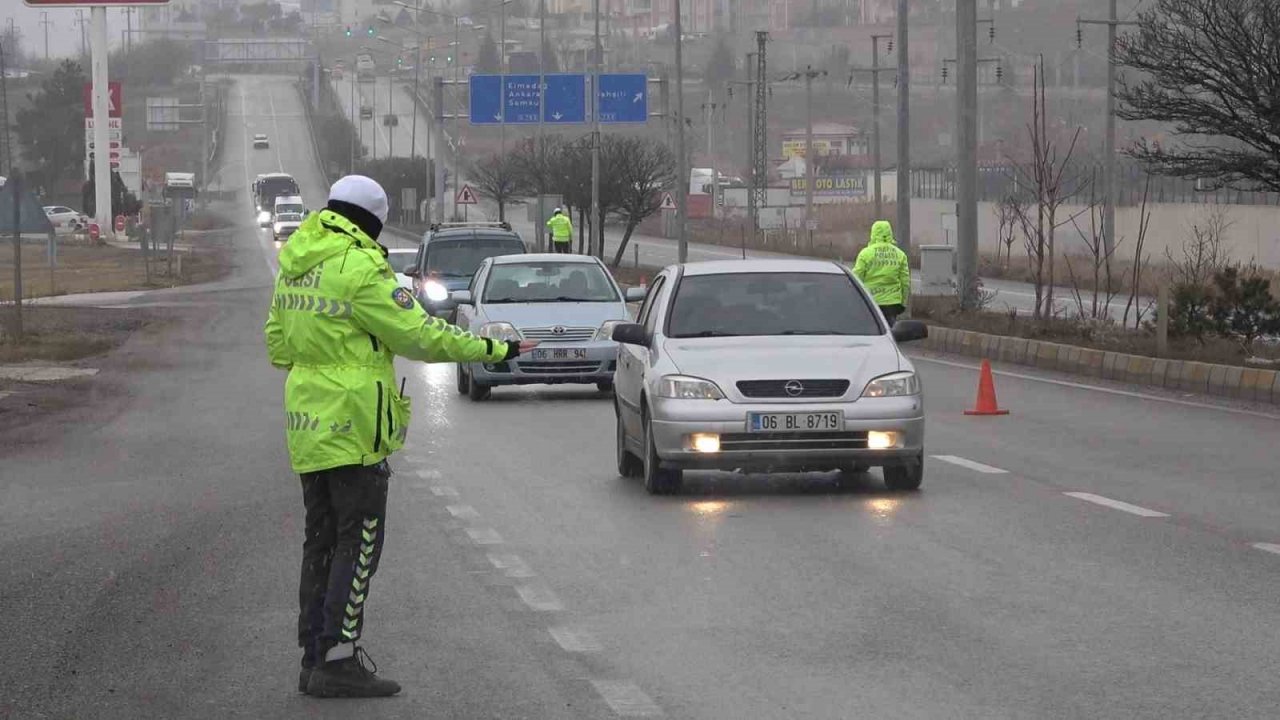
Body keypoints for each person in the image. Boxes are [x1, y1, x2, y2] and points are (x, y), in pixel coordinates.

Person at [264, 175, 538, 699]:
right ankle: (339, 660)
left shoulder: (296, 264)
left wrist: (322, 356)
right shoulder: (362, 268)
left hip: (308, 425)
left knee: (320, 540)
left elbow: (278, 345)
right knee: (360, 539)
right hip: (356, 425)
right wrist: (493, 350)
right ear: (373, 218)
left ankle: (314, 656)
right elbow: (421, 335)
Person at [853, 219, 911, 326]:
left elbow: (856, 278)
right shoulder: (900, 255)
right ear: (890, 233)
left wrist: (856, 301)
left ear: (873, 234)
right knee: (891, 333)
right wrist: (903, 303)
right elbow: (905, 282)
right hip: (892, 303)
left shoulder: (865, 254)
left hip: (870, 302)